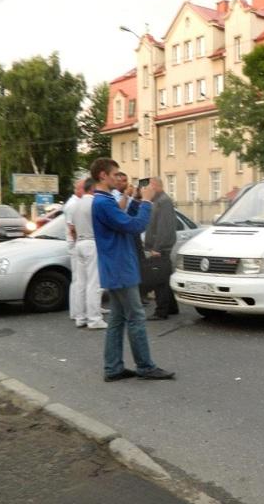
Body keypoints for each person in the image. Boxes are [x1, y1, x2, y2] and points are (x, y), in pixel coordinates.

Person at [90, 157, 174, 382]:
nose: (118, 178)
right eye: (114, 174)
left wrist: (135, 201)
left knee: (117, 319)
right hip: (120, 268)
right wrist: (146, 202)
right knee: (136, 316)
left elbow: (123, 220)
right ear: (103, 176)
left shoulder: (104, 201)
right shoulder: (102, 202)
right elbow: (134, 226)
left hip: (117, 267)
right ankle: (145, 366)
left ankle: (113, 368)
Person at [68, 177, 106, 329]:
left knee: (81, 282)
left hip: (80, 243)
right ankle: (94, 318)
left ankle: (80, 317)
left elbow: (72, 228)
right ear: (93, 188)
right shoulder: (94, 203)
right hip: (92, 243)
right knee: (94, 283)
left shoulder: (76, 205)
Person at [142, 177, 179, 320]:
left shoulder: (163, 202)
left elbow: (164, 227)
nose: (147, 190)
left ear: (156, 186)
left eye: (149, 187)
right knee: (164, 277)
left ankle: (161, 311)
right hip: (159, 246)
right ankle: (171, 307)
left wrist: (156, 247)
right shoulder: (158, 201)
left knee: (159, 280)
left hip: (160, 247)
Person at [63, 178, 86, 327]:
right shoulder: (73, 204)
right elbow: (72, 228)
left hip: (76, 243)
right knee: (79, 280)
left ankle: (77, 311)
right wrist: (79, 243)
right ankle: (79, 313)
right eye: (83, 188)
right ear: (76, 189)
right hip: (76, 244)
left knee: (79, 279)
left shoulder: (76, 202)